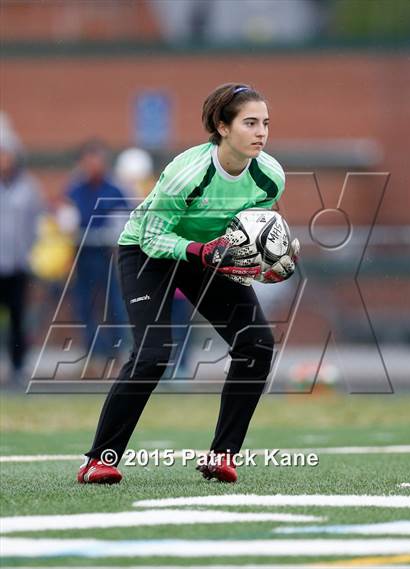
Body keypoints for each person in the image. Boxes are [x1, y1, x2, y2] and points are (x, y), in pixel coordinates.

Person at [77, 83, 299, 484]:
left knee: (256, 344)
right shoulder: (188, 172)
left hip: (204, 255)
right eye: (250, 122)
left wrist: (269, 261)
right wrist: (202, 251)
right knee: (154, 355)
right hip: (147, 254)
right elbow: (151, 237)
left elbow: (246, 234)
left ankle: (222, 456)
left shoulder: (270, 177)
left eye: (265, 123)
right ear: (222, 126)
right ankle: (99, 459)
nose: (261, 132)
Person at [65, 139, 128, 376]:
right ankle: (93, 354)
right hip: (82, 255)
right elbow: (67, 218)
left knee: (114, 305)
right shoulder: (74, 188)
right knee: (85, 306)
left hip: (108, 256)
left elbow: (123, 221)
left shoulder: (115, 189)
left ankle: (117, 354)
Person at [0, 134, 43, 387]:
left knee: (18, 317)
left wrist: (29, 250)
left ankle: (17, 366)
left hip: (17, 264)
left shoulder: (28, 186)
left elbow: (36, 222)